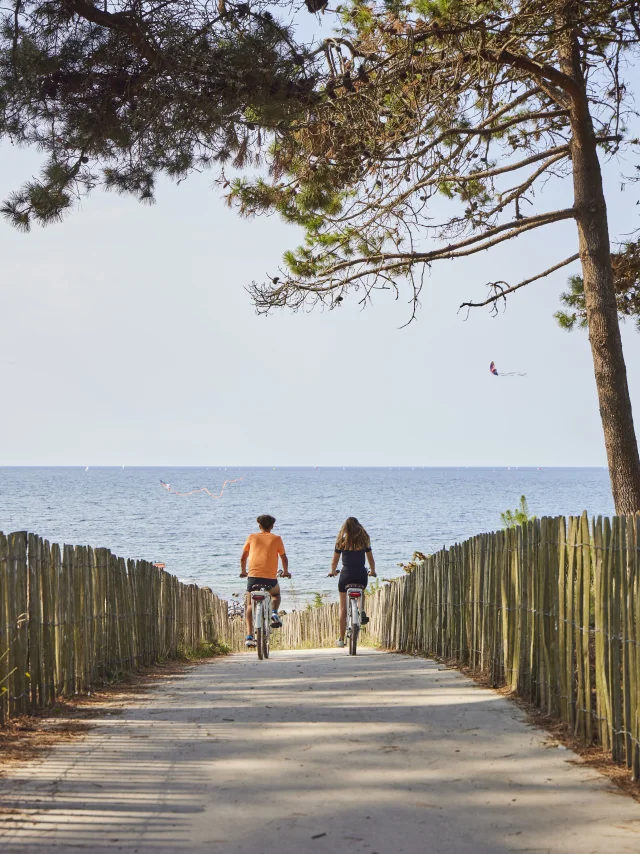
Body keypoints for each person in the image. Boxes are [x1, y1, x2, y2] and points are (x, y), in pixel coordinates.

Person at [240, 514, 290, 648]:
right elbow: (284, 559)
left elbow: (243, 558)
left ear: (259, 525)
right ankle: (274, 612)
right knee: (276, 595)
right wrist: (285, 572)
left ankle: (250, 635)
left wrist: (244, 572)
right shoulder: (277, 538)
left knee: (250, 604)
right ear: (272, 526)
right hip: (270, 579)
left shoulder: (252, 537)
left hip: (253, 578)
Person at [328, 517, 376, 648]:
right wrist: (372, 571)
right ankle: (361, 610)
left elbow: (334, 562)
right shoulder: (364, 541)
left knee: (343, 607)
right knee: (361, 592)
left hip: (345, 576)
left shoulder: (341, 542)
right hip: (361, 575)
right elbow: (371, 560)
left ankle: (341, 638)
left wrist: (332, 571)